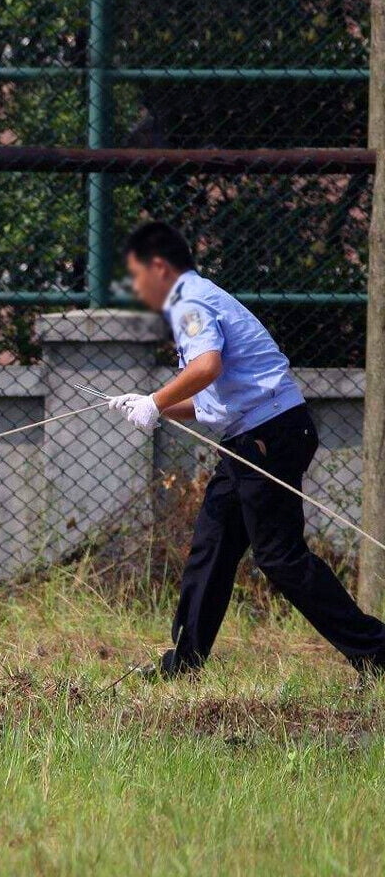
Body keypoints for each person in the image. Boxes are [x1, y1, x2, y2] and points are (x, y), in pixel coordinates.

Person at [112, 220, 385, 679]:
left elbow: (207, 365)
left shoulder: (189, 301)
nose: (136, 287)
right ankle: (183, 665)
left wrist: (155, 401)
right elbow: (212, 399)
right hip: (253, 437)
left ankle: (377, 651)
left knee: (280, 557)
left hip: (268, 436)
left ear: (159, 267)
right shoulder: (198, 298)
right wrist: (153, 407)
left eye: (137, 275)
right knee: (212, 547)